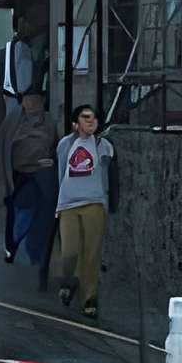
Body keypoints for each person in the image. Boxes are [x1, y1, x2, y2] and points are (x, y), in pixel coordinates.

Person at [51, 103, 113, 319]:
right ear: (76, 123)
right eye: (85, 117)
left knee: (92, 254)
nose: (90, 121)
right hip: (68, 204)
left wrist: (107, 203)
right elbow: (60, 174)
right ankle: (68, 282)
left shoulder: (103, 145)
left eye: (94, 118)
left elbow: (108, 177)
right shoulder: (65, 145)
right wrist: (58, 203)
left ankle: (90, 298)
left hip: (94, 203)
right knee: (70, 252)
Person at [0, 90, 58, 285]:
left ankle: (36, 253)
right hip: (21, 175)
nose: (33, 104)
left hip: (42, 174)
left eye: (37, 100)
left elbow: (54, 144)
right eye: (30, 100)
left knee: (42, 212)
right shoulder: (14, 121)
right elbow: (5, 148)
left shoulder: (49, 120)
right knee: (21, 213)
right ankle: (13, 247)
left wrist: (49, 162)